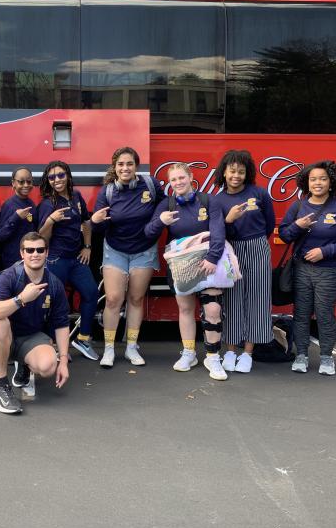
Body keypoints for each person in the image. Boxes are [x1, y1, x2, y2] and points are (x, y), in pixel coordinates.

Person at [144, 163, 226, 380]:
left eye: (182, 177)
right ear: (169, 184)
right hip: (181, 266)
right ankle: (189, 353)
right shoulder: (167, 204)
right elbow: (148, 232)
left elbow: (218, 231)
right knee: (185, 309)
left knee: (213, 310)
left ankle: (213, 356)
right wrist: (161, 222)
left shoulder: (209, 201)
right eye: (173, 180)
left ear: (191, 177)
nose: (178, 182)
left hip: (208, 263)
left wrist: (212, 258)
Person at [279, 161, 336, 375]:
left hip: (330, 271)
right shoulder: (298, 206)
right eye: (313, 179)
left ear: (331, 182)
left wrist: (326, 251)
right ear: (306, 182)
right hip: (302, 270)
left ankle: (326, 358)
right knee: (301, 314)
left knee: (324, 314)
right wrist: (297, 226)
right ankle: (301, 355)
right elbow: (284, 234)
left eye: (323, 179)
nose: (318, 183)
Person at [0, 232, 70, 414]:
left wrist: (63, 362)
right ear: (22, 253)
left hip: (30, 337)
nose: (35, 254)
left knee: (48, 365)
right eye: (29, 250)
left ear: (47, 253)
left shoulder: (54, 284)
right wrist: (21, 299)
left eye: (40, 249)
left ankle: (24, 364)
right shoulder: (10, 276)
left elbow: (61, 324)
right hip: (1, 335)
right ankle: (1, 388)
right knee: (0, 323)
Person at [91, 147, 164, 368]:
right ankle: (109, 349)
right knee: (113, 299)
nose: (125, 168)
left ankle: (132, 347)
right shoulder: (108, 191)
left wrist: (156, 223)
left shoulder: (150, 185)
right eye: (121, 164)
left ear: (136, 166)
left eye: (129, 164)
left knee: (135, 299)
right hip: (115, 250)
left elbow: (164, 202)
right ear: (115, 167)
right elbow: (98, 227)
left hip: (144, 250)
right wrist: (95, 220)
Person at [213, 150, 275, 374]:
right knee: (231, 300)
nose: (236, 175)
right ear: (224, 172)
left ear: (247, 173)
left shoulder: (259, 193)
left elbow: (269, 224)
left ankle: (248, 353)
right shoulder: (217, 200)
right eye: (232, 171)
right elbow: (218, 232)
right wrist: (229, 220)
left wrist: (256, 242)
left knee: (258, 299)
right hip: (230, 251)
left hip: (257, 246)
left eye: (241, 171)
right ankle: (230, 351)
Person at [37, 160, 99, 361]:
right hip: (56, 260)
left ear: (68, 176)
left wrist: (87, 246)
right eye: (52, 176)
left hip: (75, 258)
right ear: (48, 180)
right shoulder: (48, 203)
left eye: (61, 175)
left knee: (91, 293)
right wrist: (50, 220)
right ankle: (52, 345)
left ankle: (82, 338)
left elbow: (86, 222)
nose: (57, 180)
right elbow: (41, 237)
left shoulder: (76, 196)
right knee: (53, 303)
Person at [0, 167, 37, 268]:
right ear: (13, 183)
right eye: (21, 182)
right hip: (13, 262)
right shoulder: (9, 205)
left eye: (29, 181)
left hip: (29, 259)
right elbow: (0, 236)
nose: (26, 185)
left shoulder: (31, 203)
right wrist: (16, 217)